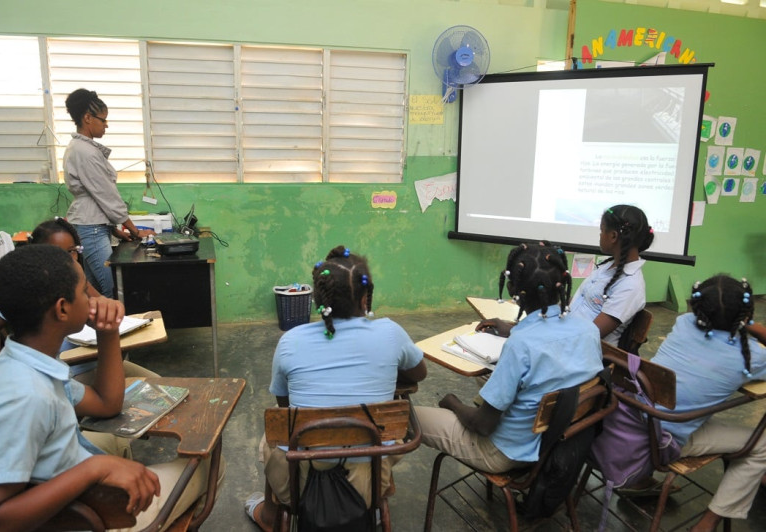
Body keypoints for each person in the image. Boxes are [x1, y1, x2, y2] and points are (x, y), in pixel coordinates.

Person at [0, 245, 213, 532]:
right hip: (82, 517)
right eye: (85, 291)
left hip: (74, 483)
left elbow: (107, 404)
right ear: (62, 308)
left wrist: (107, 333)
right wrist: (95, 469)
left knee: (115, 443)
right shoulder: (23, 396)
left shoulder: (28, 362)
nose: (93, 298)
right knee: (209, 465)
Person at [245, 245, 428, 530]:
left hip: (298, 484)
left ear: (319, 299)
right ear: (366, 298)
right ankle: (369, 512)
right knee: (380, 433)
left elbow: (286, 407)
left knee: (272, 434)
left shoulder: (290, 342)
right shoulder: (390, 333)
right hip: (369, 480)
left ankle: (271, 515)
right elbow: (419, 374)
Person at [415, 242, 603, 474]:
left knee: (407, 417)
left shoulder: (520, 345)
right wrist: (516, 328)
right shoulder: (589, 330)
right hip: (557, 443)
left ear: (513, 288)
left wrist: (452, 403)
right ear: (562, 283)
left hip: (504, 452)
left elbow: (482, 425)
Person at [650, 275, 766, 532]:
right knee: (763, 444)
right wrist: (754, 327)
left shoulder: (682, 324)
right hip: (665, 439)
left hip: (634, 420)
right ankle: (707, 523)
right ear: (746, 313)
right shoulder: (752, 356)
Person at [0, 217, 158, 382]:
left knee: (158, 382)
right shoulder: (31, 292)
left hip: (92, 361)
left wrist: (109, 308)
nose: (66, 259)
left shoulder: (77, 282)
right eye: (55, 252)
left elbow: (104, 303)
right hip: (69, 371)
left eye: (72, 251)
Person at [477, 205, 653, 347]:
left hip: (578, 353)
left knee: (508, 354)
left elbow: (588, 336)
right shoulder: (608, 267)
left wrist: (519, 333)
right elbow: (572, 309)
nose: (600, 235)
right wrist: (520, 327)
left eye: (602, 230)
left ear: (613, 236)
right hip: (563, 337)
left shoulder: (631, 286)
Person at [62, 88, 153, 298]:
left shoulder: (82, 148)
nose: (106, 125)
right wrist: (135, 230)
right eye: (103, 120)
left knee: (94, 290)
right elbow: (106, 196)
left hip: (93, 226)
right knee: (110, 290)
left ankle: (96, 331)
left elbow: (98, 197)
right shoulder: (84, 152)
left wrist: (114, 230)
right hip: (91, 228)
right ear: (87, 118)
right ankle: (111, 330)